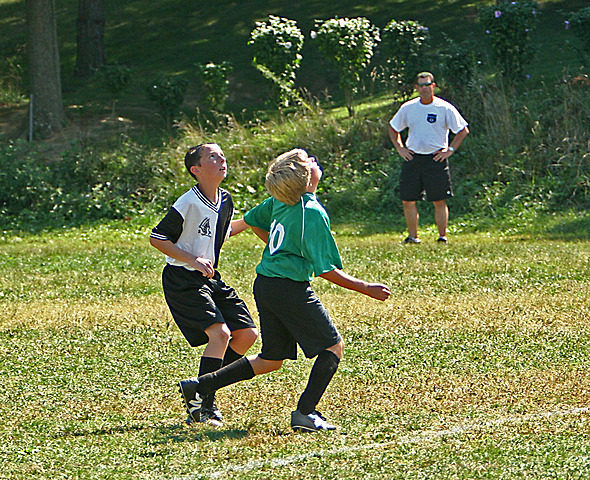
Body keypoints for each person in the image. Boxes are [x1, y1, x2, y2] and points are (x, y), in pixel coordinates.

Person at [178, 148, 391, 432]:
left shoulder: (279, 199)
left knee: (272, 359)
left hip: (266, 284)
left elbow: (250, 221)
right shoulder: (311, 211)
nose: (315, 162)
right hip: (289, 287)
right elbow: (325, 269)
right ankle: (306, 412)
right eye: (310, 162)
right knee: (332, 346)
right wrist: (366, 287)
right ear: (305, 178)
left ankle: (199, 386)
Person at [150, 143, 258, 427]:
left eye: (222, 155)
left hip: (210, 278)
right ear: (195, 170)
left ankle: (199, 388)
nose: (221, 159)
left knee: (246, 335)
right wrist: (192, 259)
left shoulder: (225, 200)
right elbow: (158, 237)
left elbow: (222, 233)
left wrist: (254, 218)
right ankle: (203, 405)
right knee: (220, 334)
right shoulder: (188, 202)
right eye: (213, 156)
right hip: (183, 278)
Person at [388, 71, 469, 244]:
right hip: (413, 158)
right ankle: (413, 237)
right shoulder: (408, 107)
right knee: (408, 200)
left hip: (436, 159)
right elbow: (393, 128)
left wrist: (451, 149)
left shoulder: (444, 108)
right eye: (421, 85)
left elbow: (462, 130)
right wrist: (400, 148)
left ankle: (442, 236)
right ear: (416, 88)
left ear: (433, 86)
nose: (424, 88)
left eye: (428, 85)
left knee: (439, 200)